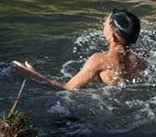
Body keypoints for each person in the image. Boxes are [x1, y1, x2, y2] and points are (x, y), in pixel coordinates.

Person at [11, 8, 145, 90]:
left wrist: (34, 75)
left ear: (113, 37)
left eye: (106, 22)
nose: (103, 23)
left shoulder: (99, 60)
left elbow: (67, 88)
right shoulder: (140, 58)